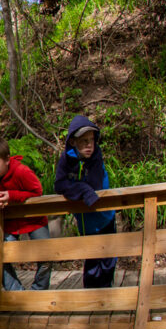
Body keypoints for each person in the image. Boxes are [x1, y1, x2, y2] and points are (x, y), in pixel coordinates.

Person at [54, 115, 117, 288]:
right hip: (86, 220)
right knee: (92, 261)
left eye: (91, 140)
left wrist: (75, 188)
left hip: (105, 216)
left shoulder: (96, 156)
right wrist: (82, 190)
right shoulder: (67, 160)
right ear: (73, 142)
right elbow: (59, 184)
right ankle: (91, 297)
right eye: (83, 141)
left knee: (108, 258)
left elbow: (95, 185)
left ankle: (106, 295)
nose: (89, 145)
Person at [0, 136, 51, 291]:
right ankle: (17, 293)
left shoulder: (22, 171)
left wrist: (11, 195)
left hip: (34, 220)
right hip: (10, 223)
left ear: (7, 160)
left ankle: (38, 291)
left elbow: (37, 191)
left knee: (47, 255)